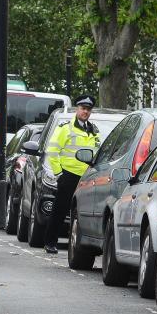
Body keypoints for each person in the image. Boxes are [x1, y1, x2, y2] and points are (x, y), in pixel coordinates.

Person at [42, 95, 101, 254]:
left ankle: (76, 245)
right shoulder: (65, 128)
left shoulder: (93, 130)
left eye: (88, 109)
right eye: (83, 108)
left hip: (86, 177)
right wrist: (59, 173)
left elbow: (96, 152)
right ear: (77, 109)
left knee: (80, 211)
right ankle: (50, 242)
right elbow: (52, 151)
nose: (85, 112)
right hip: (68, 175)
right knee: (60, 210)